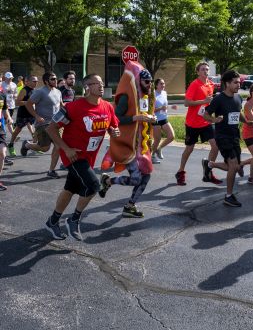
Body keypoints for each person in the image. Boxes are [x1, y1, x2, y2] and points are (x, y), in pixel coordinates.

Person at [44, 74, 120, 241]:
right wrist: (66, 148)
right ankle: (74, 219)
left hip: (89, 158)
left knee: (70, 189)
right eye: (96, 83)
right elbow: (51, 129)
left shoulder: (108, 107)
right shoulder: (73, 107)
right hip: (73, 155)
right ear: (87, 87)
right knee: (93, 186)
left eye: (102, 83)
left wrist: (114, 132)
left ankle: (53, 221)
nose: (101, 86)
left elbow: (113, 127)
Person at [99, 65, 157, 218]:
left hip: (142, 145)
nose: (149, 85)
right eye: (146, 82)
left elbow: (146, 117)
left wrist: (153, 119)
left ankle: (129, 206)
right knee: (137, 178)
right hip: (128, 145)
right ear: (139, 81)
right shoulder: (127, 97)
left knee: (146, 176)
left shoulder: (146, 97)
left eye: (151, 82)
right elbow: (115, 119)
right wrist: (135, 118)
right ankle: (108, 182)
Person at [203, 70, 253, 207]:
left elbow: (237, 113)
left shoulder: (238, 98)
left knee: (235, 166)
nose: (239, 85)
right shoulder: (219, 99)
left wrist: (246, 121)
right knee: (233, 165)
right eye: (235, 82)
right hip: (222, 136)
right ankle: (228, 196)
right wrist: (215, 119)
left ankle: (209, 164)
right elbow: (206, 115)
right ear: (227, 83)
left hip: (234, 136)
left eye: (239, 82)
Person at [175, 62, 222, 186]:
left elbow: (210, 103)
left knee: (215, 146)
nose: (206, 71)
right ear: (198, 72)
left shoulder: (211, 84)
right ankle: (180, 172)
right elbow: (186, 103)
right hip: (192, 123)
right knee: (189, 148)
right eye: (203, 69)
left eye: (207, 69)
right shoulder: (194, 85)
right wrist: (204, 101)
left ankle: (208, 172)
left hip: (205, 121)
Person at [21, 71, 63, 178]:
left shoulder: (58, 92)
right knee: (44, 148)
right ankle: (27, 145)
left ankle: (51, 171)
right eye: (52, 79)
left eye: (56, 78)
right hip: (43, 124)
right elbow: (29, 104)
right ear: (46, 81)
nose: (55, 80)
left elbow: (61, 106)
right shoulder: (40, 92)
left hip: (56, 124)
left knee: (59, 146)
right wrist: (36, 116)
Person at [8, 75, 38, 156]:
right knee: (17, 130)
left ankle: (35, 146)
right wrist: (28, 102)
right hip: (23, 114)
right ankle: (11, 145)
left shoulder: (35, 90)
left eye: (37, 81)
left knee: (35, 130)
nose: (36, 83)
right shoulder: (24, 90)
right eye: (34, 81)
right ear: (27, 82)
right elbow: (17, 102)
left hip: (31, 113)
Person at [151, 78, 175, 163]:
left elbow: (165, 106)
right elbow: (150, 110)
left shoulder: (164, 93)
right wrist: (161, 108)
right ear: (156, 85)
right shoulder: (153, 94)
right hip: (155, 119)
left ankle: (159, 148)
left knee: (171, 136)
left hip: (164, 118)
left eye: (164, 83)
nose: (163, 85)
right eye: (161, 84)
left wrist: (171, 107)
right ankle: (152, 155)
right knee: (157, 139)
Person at [0, 90, 13, 192]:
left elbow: (4, 109)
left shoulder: (2, 95)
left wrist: (8, 117)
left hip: (0, 129)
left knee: (2, 154)